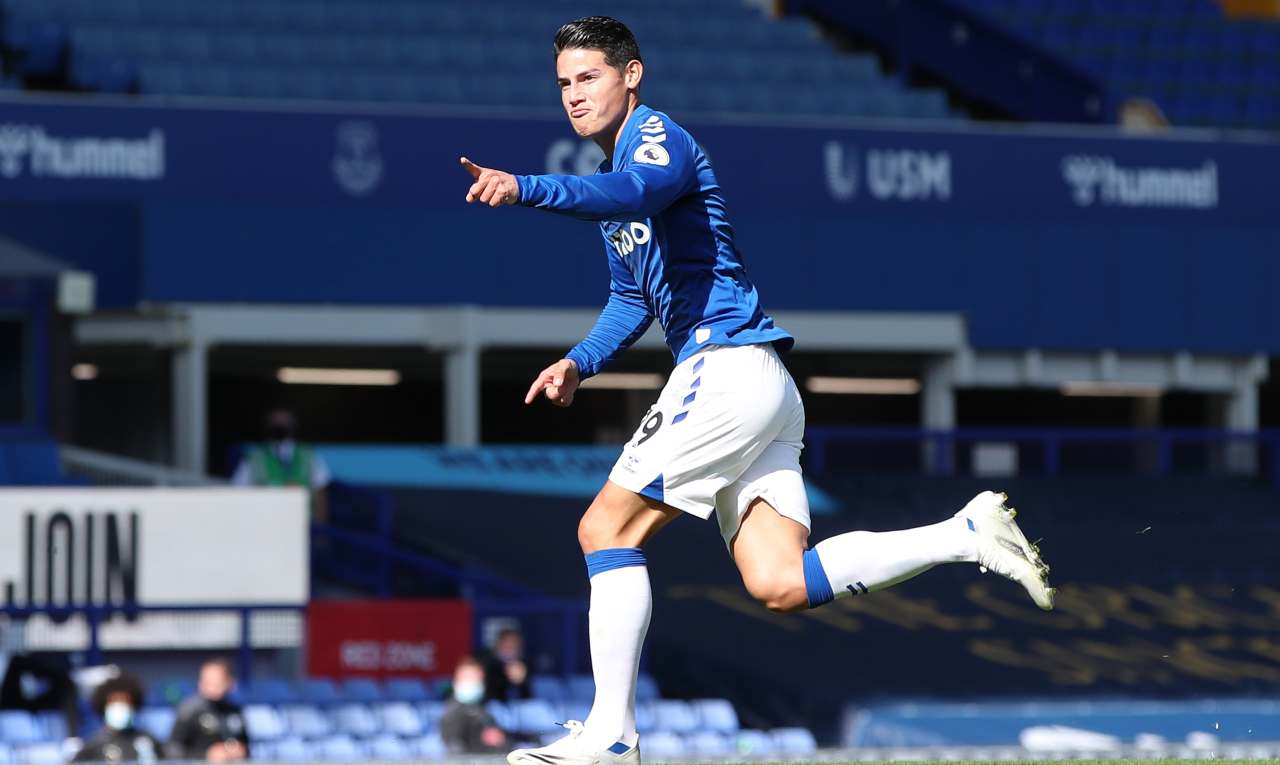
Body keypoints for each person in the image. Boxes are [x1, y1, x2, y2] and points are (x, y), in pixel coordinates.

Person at [459, 16, 1054, 765]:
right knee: (779, 581)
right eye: (564, 84)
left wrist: (525, 188)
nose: (574, 96)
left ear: (631, 74)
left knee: (602, 531)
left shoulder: (655, 140)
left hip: (725, 367)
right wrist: (581, 361)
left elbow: (636, 190)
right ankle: (963, 535)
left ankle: (611, 735)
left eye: (588, 77)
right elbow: (633, 298)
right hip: (759, 384)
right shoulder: (618, 191)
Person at [231, 408, 331, 523]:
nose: (280, 426)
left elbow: (321, 494)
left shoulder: (309, 455)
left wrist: (321, 532)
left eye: (284, 422)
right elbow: (238, 493)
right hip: (266, 523)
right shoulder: (254, 458)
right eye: (276, 422)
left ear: (293, 426)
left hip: (304, 524)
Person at [166, 658, 249, 762]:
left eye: (218, 681)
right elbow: (172, 751)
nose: (212, 686)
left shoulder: (234, 711)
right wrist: (206, 755)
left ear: (230, 682)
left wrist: (241, 751)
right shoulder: (189, 711)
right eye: (208, 681)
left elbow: (247, 746)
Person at [72, 672, 162, 763]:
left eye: (124, 701)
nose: (119, 706)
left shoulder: (148, 741)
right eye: (114, 701)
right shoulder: (93, 745)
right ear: (104, 706)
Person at [439, 657, 508, 754]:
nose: (472, 682)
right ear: (457, 680)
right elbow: (454, 747)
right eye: (468, 678)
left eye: (477, 679)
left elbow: (501, 740)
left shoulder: (487, 708)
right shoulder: (451, 712)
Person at [480, 627, 531, 703]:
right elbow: (490, 693)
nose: (511, 649)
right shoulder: (486, 663)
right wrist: (506, 675)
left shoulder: (525, 666)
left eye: (515, 645)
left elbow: (528, 699)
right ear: (498, 644)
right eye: (507, 644)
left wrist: (521, 682)